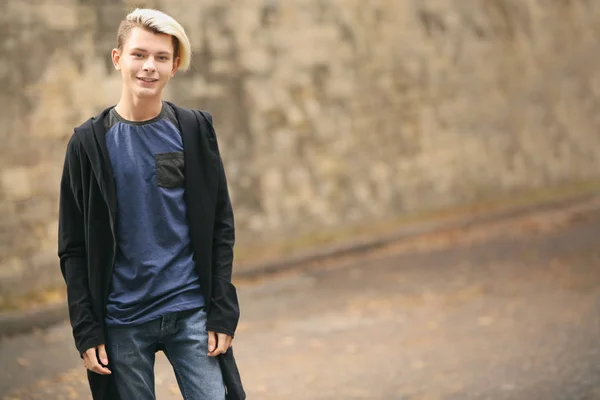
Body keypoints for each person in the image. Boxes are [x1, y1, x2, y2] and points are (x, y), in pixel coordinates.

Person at [58, 8, 244, 400]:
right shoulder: (87, 144)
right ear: (118, 58)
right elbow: (73, 247)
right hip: (122, 321)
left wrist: (222, 309)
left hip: (190, 311)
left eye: (161, 57)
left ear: (175, 65)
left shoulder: (193, 130)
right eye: (139, 54)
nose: (149, 67)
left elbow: (220, 225)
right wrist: (86, 328)